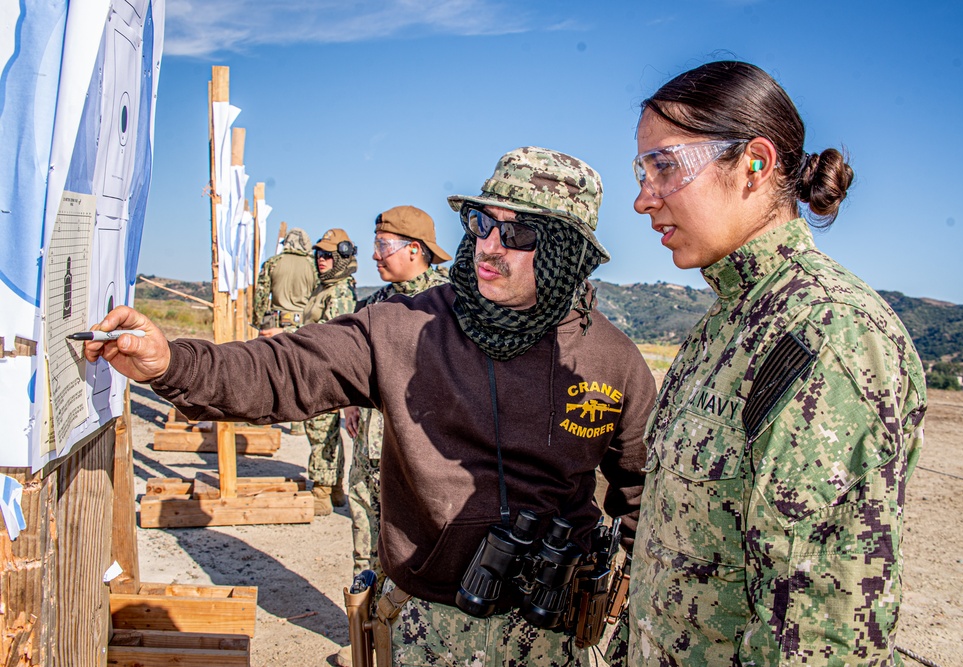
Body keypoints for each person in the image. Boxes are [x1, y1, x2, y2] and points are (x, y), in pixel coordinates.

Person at [85, 146, 656, 666]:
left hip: (554, 640)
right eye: (481, 223)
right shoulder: (406, 328)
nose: (489, 245)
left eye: (518, 234)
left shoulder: (614, 361)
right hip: (427, 630)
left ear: (566, 251)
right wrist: (172, 364)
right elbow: (285, 370)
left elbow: (643, 502)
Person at [628, 60, 927, 666]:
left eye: (665, 165)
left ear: (755, 164)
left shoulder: (828, 332)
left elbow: (821, 638)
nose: (642, 199)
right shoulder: (727, 324)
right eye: (642, 170)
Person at [342, 205, 450, 576]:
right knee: (365, 553)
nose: (374, 254)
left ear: (415, 249)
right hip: (367, 455)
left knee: (411, 557)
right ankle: (365, 628)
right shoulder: (376, 304)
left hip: (415, 459)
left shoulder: (449, 305)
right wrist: (351, 403)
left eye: (383, 244)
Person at [302, 228, 359, 514]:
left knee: (321, 430)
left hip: (325, 371)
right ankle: (333, 488)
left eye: (327, 255)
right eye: (318, 254)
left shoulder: (338, 290)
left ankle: (322, 492)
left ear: (342, 257)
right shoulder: (326, 286)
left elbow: (335, 337)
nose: (321, 260)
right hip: (317, 368)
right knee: (322, 431)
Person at [252, 227, 318, 337]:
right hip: (302, 324)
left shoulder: (272, 263)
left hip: (274, 323)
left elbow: (261, 297)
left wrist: (258, 322)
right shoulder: (314, 266)